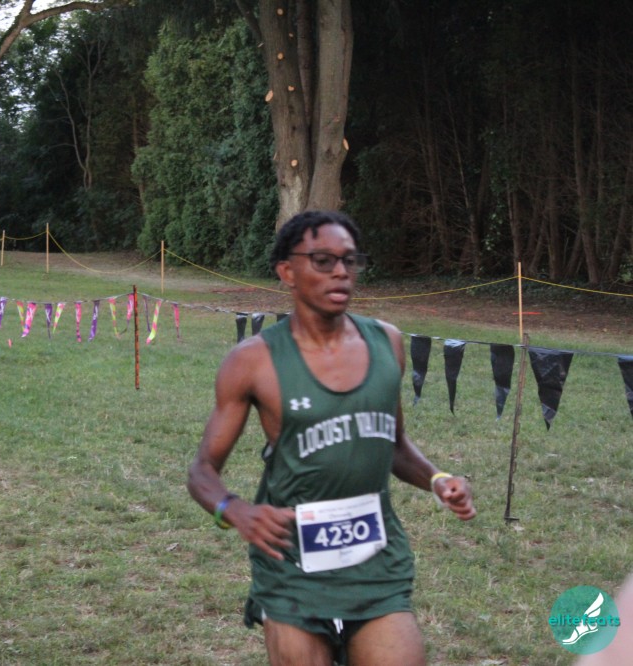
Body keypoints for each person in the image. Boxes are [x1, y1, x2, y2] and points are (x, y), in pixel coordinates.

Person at [186, 210, 476, 666]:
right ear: (287, 272)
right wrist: (235, 510)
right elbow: (202, 470)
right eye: (323, 260)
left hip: (375, 560)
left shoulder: (387, 343)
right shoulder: (253, 361)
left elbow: (394, 444)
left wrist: (439, 480)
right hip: (293, 565)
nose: (341, 271)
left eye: (350, 260)